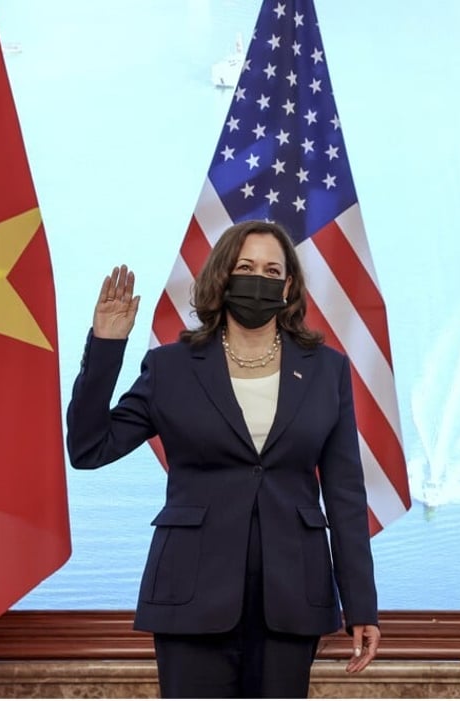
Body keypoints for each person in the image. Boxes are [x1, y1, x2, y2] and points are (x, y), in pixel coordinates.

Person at [66, 220, 380, 698]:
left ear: (288, 285)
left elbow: (345, 495)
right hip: (191, 591)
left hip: (292, 594)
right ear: (222, 277)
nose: (260, 278)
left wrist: (361, 605)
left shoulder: (327, 370)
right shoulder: (171, 367)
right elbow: (89, 448)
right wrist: (107, 346)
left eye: (272, 270)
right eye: (246, 267)